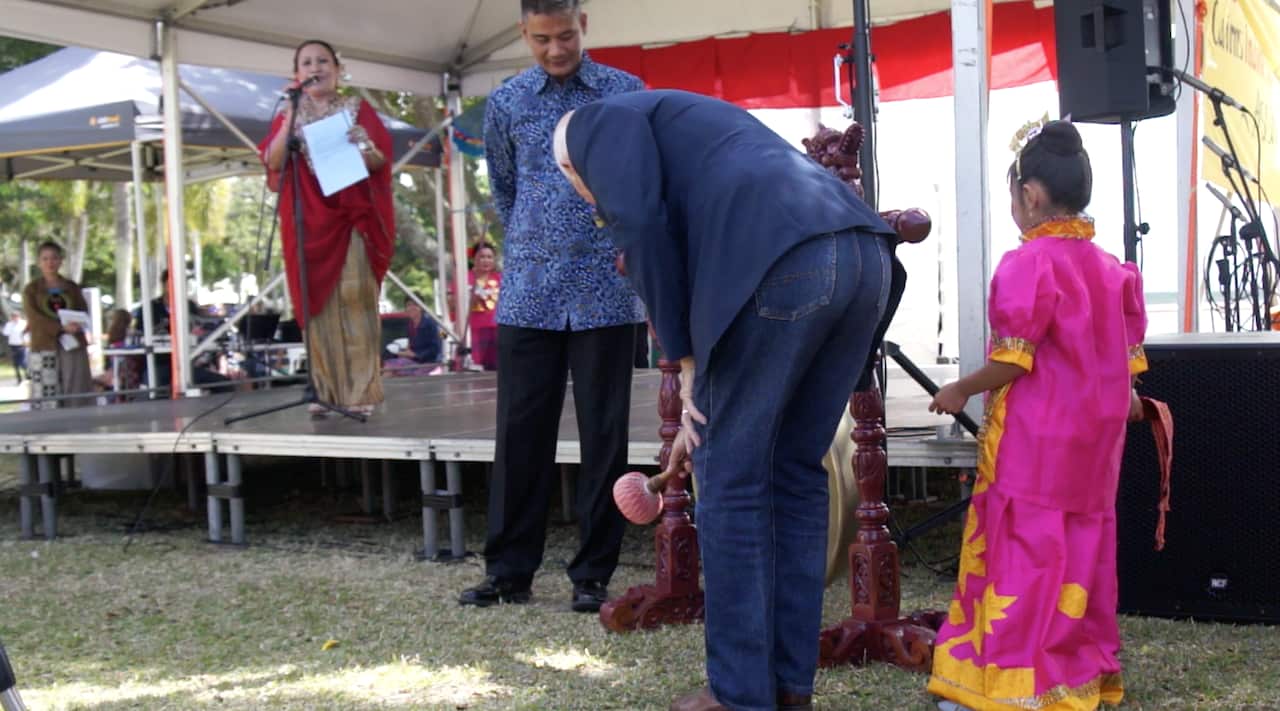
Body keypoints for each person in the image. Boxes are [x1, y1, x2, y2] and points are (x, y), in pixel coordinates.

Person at [555, 90, 901, 711]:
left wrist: (686, 365)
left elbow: (639, 223)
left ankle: (739, 695)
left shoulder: (590, 124)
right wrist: (705, 391)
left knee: (734, 486)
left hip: (789, 260)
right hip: (863, 256)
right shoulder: (695, 126)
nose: (589, 201)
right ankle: (789, 687)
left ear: (570, 165)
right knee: (794, 477)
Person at [925, 120, 1147, 711]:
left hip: (1035, 447)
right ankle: (1073, 677)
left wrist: (960, 389)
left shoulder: (1029, 265)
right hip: (1094, 453)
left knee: (1024, 555)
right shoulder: (1114, 272)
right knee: (1078, 557)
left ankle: (1007, 685)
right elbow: (1127, 385)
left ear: (1031, 196)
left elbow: (1013, 361)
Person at [458, 0, 646, 614]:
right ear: (523, 33)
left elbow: (643, 180)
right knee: (519, 436)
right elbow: (504, 188)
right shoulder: (508, 101)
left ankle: (592, 573)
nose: (556, 50)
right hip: (530, 293)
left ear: (583, 25)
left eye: (565, 36)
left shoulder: (625, 92)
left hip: (607, 295)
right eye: (542, 39)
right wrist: (539, 243)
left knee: (604, 436)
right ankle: (508, 571)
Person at [259, 38, 395, 417]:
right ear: (296, 74)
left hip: (350, 219)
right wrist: (289, 114)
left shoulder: (355, 108)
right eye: (306, 63)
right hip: (307, 223)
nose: (315, 68)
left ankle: (361, 392)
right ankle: (325, 391)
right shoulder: (290, 112)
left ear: (337, 70)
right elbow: (272, 161)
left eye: (322, 62)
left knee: (354, 302)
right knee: (315, 308)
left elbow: (380, 161)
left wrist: (360, 146)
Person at [22, 241, 94, 409]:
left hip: (72, 344)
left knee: (75, 387)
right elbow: (34, 317)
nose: (50, 262)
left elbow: (83, 310)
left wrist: (77, 324)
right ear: (39, 262)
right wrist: (60, 328)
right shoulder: (32, 289)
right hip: (44, 344)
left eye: (54, 258)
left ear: (61, 260)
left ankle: (77, 425)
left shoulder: (71, 287)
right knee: (47, 391)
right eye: (45, 259)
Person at [383, 300, 443, 377]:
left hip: (429, 364)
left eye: (415, 305)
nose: (411, 308)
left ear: (421, 307)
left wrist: (416, 355)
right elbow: (411, 345)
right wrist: (406, 352)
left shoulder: (431, 323)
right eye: (408, 305)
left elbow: (436, 347)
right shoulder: (410, 325)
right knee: (389, 367)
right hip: (415, 362)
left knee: (410, 374)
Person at [467, 242, 501, 370]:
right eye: (482, 257)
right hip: (475, 331)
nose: (486, 260)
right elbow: (454, 306)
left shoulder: (500, 278)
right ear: (474, 258)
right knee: (478, 369)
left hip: (498, 330)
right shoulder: (465, 278)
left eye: (489, 257)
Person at [3, 311, 26, 383]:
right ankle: (19, 378)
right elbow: (5, 333)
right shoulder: (9, 324)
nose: (15, 318)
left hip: (22, 344)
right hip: (13, 345)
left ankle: (27, 375)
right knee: (15, 362)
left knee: (22, 361)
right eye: (13, 317)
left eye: (16, 316)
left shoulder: (23, 323)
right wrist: (11, 326)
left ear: (19, 316)